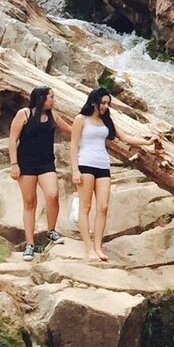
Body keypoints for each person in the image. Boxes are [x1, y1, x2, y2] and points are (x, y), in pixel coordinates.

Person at [70, 88, 155, 262]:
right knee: (85, 207)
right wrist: (74, 170)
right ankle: (88, 248)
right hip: (85, 164)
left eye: (108, 103)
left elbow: (125, 138)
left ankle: (98, 247)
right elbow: (73, 145)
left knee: (103, 207)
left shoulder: (106, 120)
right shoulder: (81, 119)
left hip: (103, 166)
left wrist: (147, 142)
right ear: (94, 102)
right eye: (103, 103)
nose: (105, 106)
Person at [8, 86, 69, 259]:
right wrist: (14, 164)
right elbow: (12, 140)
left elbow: (71, 130)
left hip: (46, 163)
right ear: (42, 98)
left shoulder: (53, 116)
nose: (53, 100)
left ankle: (51, 230)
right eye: (51, 97)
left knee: (52, 195)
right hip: (25, 163)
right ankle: (30, 244)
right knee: (29, 202)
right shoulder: (24, 114)